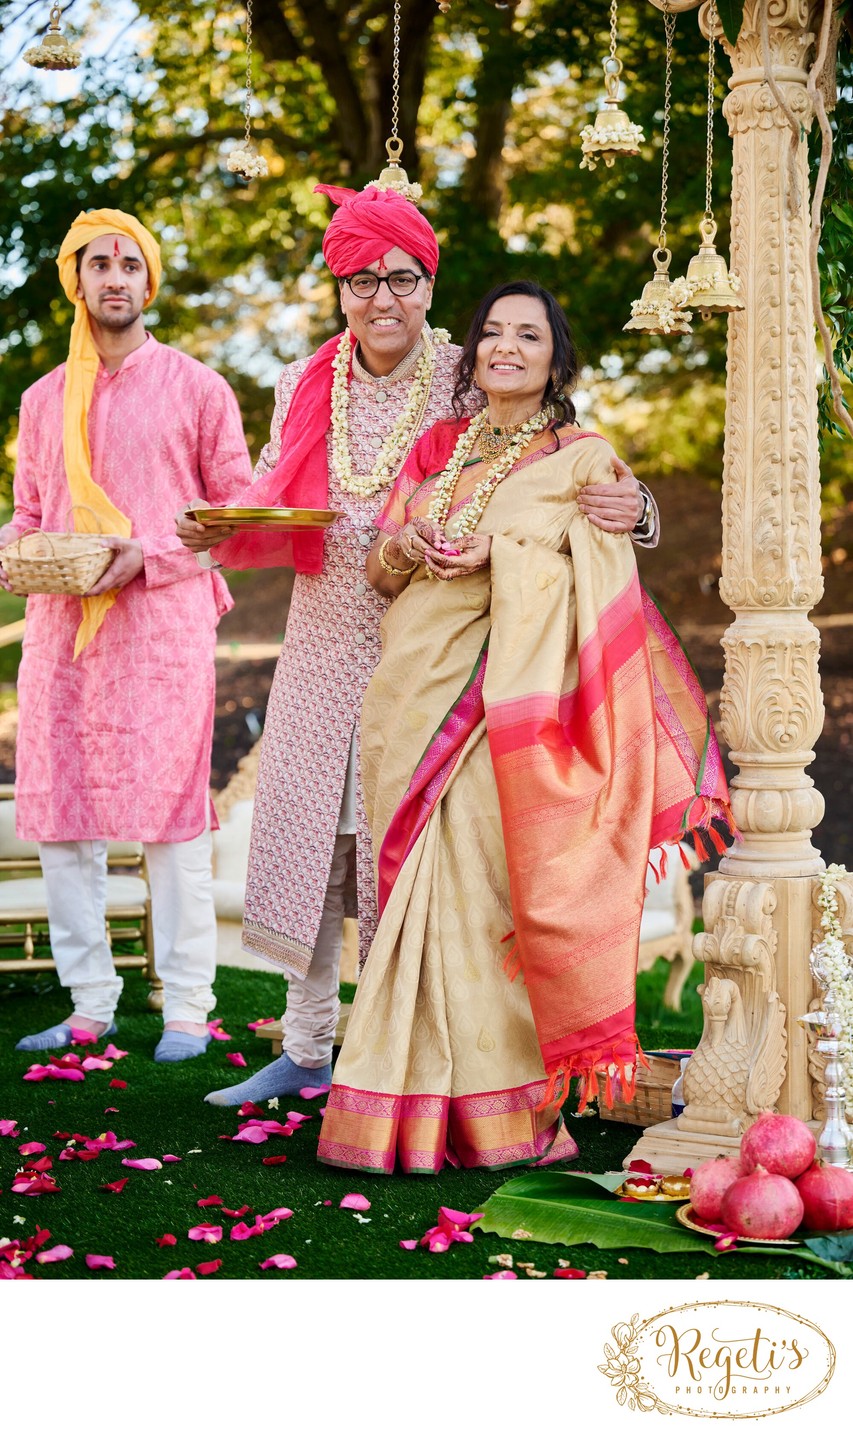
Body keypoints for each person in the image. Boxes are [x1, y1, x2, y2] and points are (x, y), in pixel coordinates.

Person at [178, 183, 660, 1107]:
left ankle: (385, 1050)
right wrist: (222, 526)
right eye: (360, 279)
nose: (381, 298)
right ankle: (306, 1044)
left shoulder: (463, 371)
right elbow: (278, 493)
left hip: (438, 647)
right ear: (338, 289)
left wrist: (637, 509)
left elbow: (555, 466)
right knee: (309, 843)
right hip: (322, 632)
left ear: (429, 286)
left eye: (401, 276)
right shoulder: (301, 380)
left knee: (403, 845)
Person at [316, 281, 732, 1174]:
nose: (505, 347)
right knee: (414, 910)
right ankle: (400, 1103)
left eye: (527, 335)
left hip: (503, 713)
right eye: (491, 333)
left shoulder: (581, 455)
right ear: (470, 353)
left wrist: (600, 526)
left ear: (556, 357)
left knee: (472, 900)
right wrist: (409, 548)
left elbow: (612, 541)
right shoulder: (438, 448)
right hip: (408, 699)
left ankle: (491, 1117)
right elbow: (382, 569)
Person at [0, 209, 254, 1061]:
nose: (114, 278)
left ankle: (186, 1004)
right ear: (76, 283)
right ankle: (88, 1003)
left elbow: (234, 517)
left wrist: (140, 556)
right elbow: (32, 511)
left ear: (149, 283)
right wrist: (13, 552)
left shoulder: (197, 388)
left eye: (129, 264)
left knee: (171, 823)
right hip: (63, 628)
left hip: (162, 627)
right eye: (97, 264)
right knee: (64, 819)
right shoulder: (42, 400)